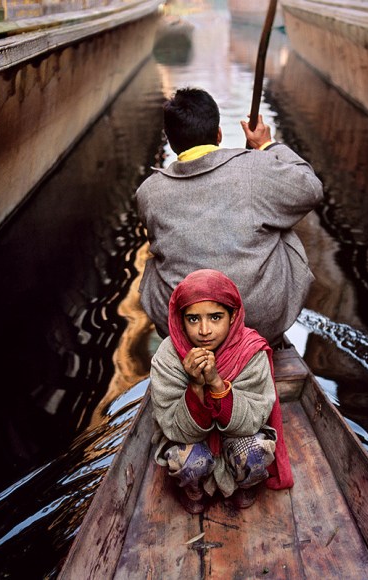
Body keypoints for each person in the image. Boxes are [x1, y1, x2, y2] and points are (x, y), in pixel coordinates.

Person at [137, 87, 324, 347]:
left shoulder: (148, 192)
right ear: (218, 134)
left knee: (154, 258)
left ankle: (189, 340)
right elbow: (311, 189)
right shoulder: (255, 167)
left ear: (170, 140)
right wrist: (267, 146)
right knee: (281, 219)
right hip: (258, 320)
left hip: (184, 325)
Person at [149, 269, 293, 514]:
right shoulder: (168, 356)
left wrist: (216, 383)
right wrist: (195, 385)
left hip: (237, 437)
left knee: (256, 450)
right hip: (192, 440)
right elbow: (173, 428)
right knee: (184, 458)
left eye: (215, 317)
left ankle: (245, 482)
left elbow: (252, 421)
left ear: (233, 315)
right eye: (193, 319)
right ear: (180, 319)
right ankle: (194, 487)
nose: (204, 330)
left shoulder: (250, 352)